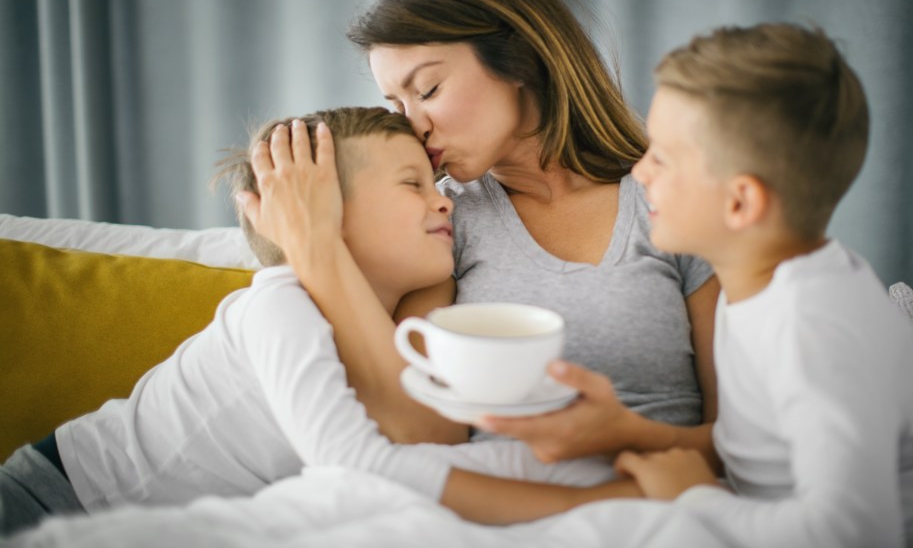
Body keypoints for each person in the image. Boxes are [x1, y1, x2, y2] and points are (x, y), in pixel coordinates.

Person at [0, 107, 637, 538]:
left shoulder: (401, 312)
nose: (443, 198)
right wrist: (594, 504)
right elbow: (363, 465)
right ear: (325, 213)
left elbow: (434, 440)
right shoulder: (276, 306)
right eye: (412, 185)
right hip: (49, 503)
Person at [240, 0, 721, 467]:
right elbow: (421, 431)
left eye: (428, 89)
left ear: (518, 61)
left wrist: (627, 434)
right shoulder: (443, 220)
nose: (414, 126)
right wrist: (316, 248)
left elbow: (747, 444)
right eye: (396, 105)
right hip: (487, 508)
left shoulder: (670, 201)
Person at [615, 23, 913, 547]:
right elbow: (757, 452)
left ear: (740, 203)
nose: (638, 172)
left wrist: (695, 498)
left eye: (660, 157)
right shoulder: (760, 279)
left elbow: (854, 534)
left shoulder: (812, 327)